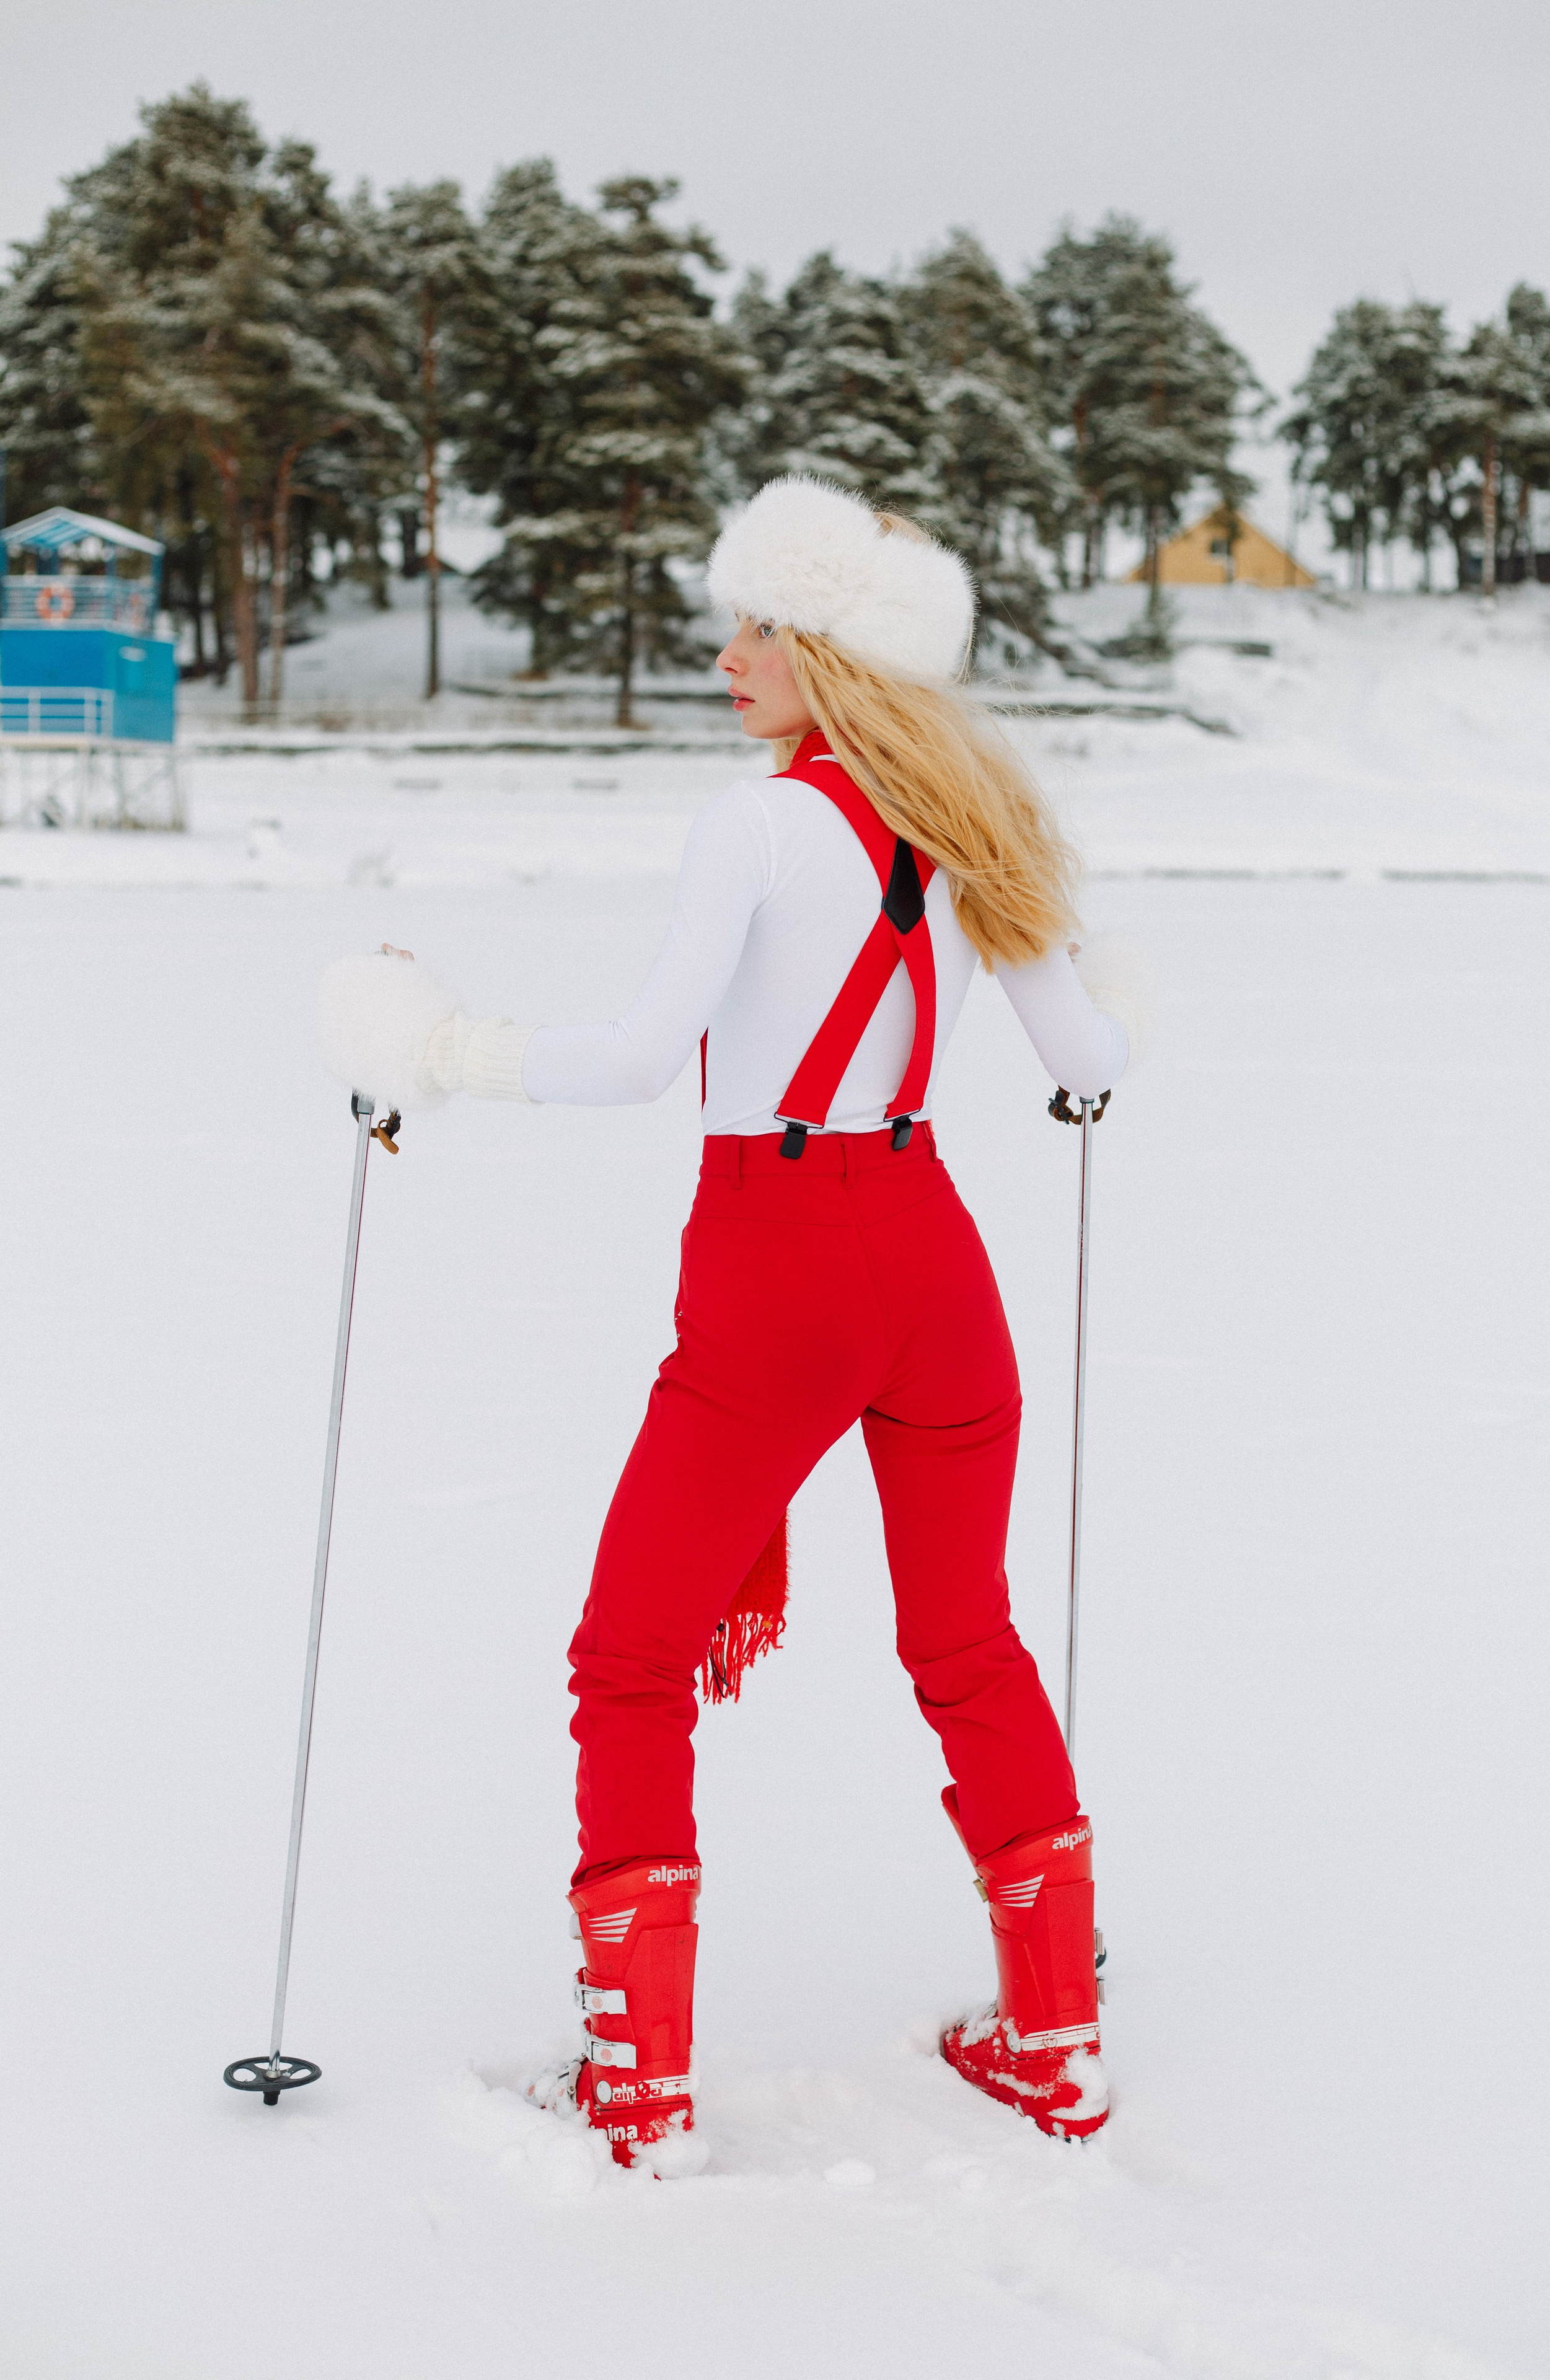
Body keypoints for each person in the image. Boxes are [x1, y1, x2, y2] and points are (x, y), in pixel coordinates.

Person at [318, 476, 1142, 2173]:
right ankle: (1056, 2044)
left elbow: (634, 1063)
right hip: (935, 1259)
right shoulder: (966, 821)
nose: (726, 654)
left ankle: (642, 2084)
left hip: (781, 1264)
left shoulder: (761, 824)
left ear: (834, 648)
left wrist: (433, 1044)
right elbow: (1092, 1065)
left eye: (761, 625)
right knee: (967, 1647)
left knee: (628, 1662)